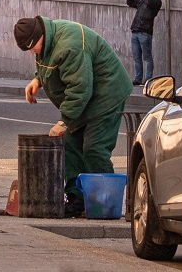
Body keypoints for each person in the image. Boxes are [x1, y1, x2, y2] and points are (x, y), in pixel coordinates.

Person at [16, 14, 132, 217]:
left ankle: (103, 202)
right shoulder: (46, 41)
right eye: (28, 50)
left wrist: (64, 120)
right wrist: (38, 80)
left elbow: (80, 87)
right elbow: (50, 64)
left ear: (39, 34)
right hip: (86, 98)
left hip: (106, 93)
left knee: (94, 148)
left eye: (32, 47)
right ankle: (77, 199)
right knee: (70, 144)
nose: (32, 52)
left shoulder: (69, 44)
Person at [126, 0, 162, 84]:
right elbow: (130, 3)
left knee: (147, 57)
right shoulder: (143, 1)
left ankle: (148, 79)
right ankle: (138, 79)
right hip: (135, 31)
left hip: (145, 33)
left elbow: (149, 2)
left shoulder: (156, 1)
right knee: (137, 57)